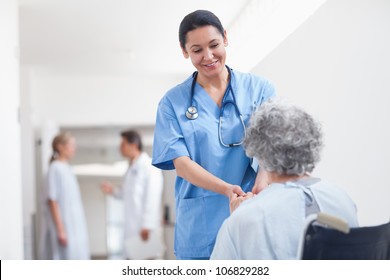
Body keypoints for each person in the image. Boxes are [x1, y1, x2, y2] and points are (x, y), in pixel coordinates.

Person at [152, 10, 275, 260]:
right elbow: (183, 165)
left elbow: (270, 149)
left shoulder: (260, 89)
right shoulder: (172, 103)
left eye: (214, 45)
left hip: (248, 209)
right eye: (197, 50)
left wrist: (259, 191)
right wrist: (227, 189)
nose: (208, 56)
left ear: (226, 38)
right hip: (200, 226)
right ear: (184, 51)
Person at [210, 100, 359, 259]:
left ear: (259, 150)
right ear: (312, 143)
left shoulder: (247, 218)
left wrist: (239, 216)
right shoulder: (342, 198)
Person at [101, 130, 164, 259]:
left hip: (144, 228)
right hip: (132, 227)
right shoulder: (131, 169)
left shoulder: (149, 166)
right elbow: (127, 194)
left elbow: (152, 197)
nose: (120, 148)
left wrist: (147, 224)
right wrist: (112, 190)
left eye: (123, 144)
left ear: (134, 145)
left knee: (146, 264)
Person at [40, 132, 90, 260]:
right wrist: (61, 229)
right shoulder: (55, 169)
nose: (74, 148)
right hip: (65, 226)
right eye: (71, 144)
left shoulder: (67, 168)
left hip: (75, 225)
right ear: (60, 146)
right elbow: (52, 200)